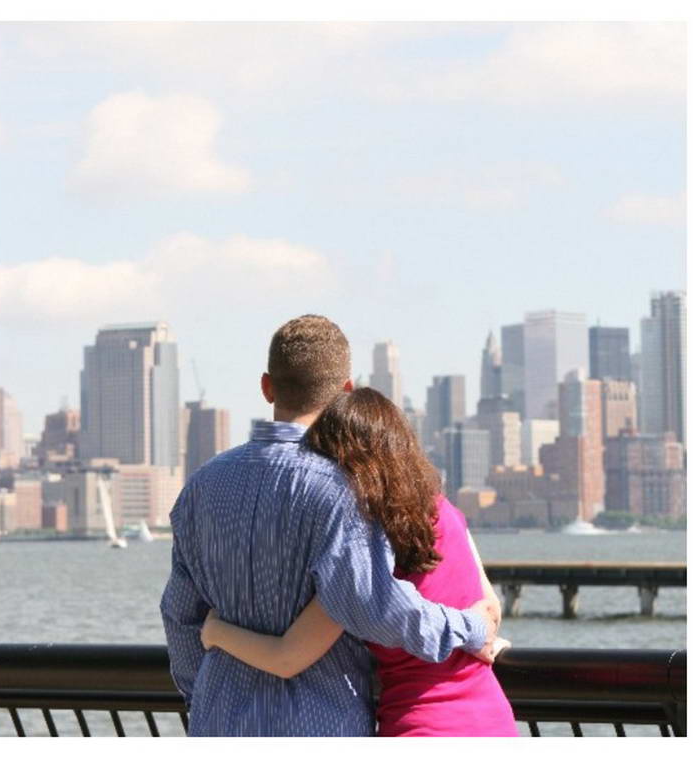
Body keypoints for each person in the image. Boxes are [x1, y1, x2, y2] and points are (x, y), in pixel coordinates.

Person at [160, 315, 499, 736]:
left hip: (218, 722)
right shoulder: (345, 488)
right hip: (318, 726)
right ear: (345, 391)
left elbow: (179, 615)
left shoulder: (201, 486)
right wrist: (472, 628)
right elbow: (375, 608)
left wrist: (204, 696)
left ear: (267, 387)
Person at [200, 387, 518, 736]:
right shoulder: (445, 511)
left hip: (421, 727)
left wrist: (216, 631)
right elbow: (490, 609)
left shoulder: (366, 549)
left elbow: (287, 657)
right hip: (492, 719)